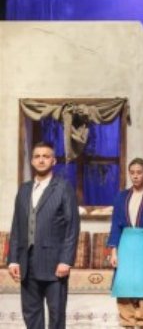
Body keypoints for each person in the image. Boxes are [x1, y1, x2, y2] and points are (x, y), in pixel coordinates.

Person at [8, 141, 80, 329]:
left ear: (53, 161)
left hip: (55, 263)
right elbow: (17, 226)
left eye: (46, 156)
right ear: (32, 161)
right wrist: (13, 259)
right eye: (37, 156)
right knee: (31, 314)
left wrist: (66, 260)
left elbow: (72, 226)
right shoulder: (24, 189)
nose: (41, 160)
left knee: (56, 315)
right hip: (27, 262)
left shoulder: (63, 187)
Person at [108, 158, 143, 328]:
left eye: (139, 172)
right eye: (132, 172)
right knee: (124, 286)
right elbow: (115, 225)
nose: (135, 176)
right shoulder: (121, 197)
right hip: (125, 245)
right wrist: (113, 251)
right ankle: (127, 323)